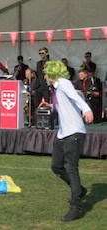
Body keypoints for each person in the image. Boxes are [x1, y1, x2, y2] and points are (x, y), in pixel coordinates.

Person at [38, 60, 93, 221]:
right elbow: (64, 106)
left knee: (71, 169)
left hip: (74, 133)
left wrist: (86, 109)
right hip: (63, 134)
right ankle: (80, 191)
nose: (46, 77)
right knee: (56, 166)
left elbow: (76, 97)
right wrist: (49, 105)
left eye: (47, 74)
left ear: (52, 74)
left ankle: (76, 207)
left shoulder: (63, 83)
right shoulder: (57, 88)